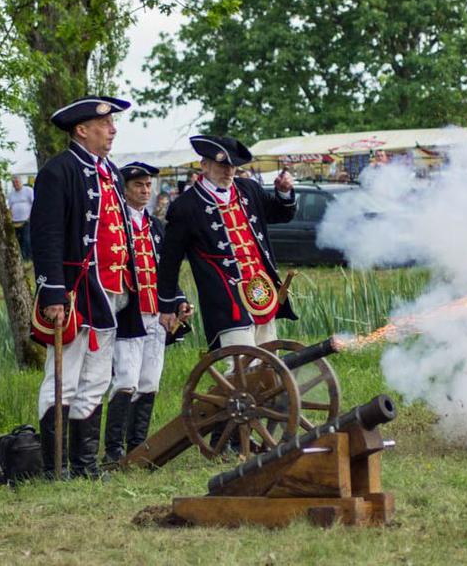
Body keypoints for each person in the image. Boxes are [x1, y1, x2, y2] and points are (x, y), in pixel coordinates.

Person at [30, 95, 145, 479]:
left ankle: (84, 464)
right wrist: (52, 293)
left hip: (111, 290)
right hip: (75, 293)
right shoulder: (58, 171)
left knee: (96, 378)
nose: (113, 130)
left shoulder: (110, 171)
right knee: (62, 379)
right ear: (82, 129)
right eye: (105, 124)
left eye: (112, 124)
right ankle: (55, 466)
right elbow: (45, 236)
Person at [156, 135, 297, 351]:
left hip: (261, 286)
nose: (229, 171)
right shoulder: (185, 206)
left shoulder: (249, 189)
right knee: (241, 358)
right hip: (224, 296)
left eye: (233, 165)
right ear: (204, 165)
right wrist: (167, 305)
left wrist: (284, 192)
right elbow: (170, 260)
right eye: (223, 165)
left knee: (269, 356)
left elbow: (281, 214)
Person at [102, 162, 192, 465]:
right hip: (129, 314)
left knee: (150, 380)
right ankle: (114, 449)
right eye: (138, 185)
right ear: (125, 188)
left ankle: (137, 446)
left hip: (157, 312)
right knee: (126, 378)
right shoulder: (116, 223)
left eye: (148, 185)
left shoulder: (155, 226)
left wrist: (177, 300)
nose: (145, 190)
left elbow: (167, 271)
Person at [7, 176, 34, 261]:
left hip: (26, 220)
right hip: (15, 222)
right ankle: (21, 258)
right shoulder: (11, 194)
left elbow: (34, 204)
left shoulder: (28, 190)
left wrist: (30, 217)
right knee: (18, 241)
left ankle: (29, 258)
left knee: (26, 240)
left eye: (17, 182)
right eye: (14, 183)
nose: (16, 184)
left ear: (21, 182)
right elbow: (10, 208)